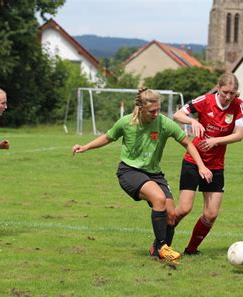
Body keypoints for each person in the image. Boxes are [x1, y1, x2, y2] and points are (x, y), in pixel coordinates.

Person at [72, 88, 212, 262]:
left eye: (158, 110)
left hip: (154, 173)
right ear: (140, 108)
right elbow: (108, 137)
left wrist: (201, 166)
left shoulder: (164, 123)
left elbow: (187, 143)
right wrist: (85, 147)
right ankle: (162, 247)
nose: (156, 114)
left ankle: (158, 252)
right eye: (152, 111)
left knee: (171, 216)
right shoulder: (126, 123)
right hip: (129, 171)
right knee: (159, 199)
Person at [173, 73, 243, 255]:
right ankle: (161, 239)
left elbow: (239, 135)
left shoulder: (239, 105)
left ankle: (191, 250)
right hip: (193, 161)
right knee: (184, 209)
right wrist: (192, 120)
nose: (228, 96)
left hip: (215, 166)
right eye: (225, 92)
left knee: (211, 214)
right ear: (218, 87)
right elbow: (177, 114)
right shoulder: (205, 101)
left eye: (232, 93)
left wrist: (216, 141)